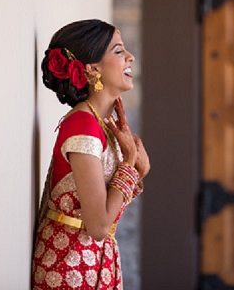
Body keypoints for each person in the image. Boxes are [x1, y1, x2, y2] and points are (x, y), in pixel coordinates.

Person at [32, 19, 150, 289]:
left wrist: (138, 169)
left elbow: (106, 211)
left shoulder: (99, 123)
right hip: (70, 265)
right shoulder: (82, 124)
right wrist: (129, 164)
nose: (130, 56)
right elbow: (98, 226)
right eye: (119, 51)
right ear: (93, 68)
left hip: (90, 261)